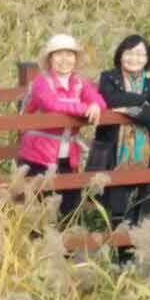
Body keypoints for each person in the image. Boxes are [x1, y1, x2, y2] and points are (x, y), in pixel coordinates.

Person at [16, 34, 106, 224]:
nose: (64, 60)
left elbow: (99, 101)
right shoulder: (41, 82)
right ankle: (41, 243)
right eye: (58, 54)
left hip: (67, 157)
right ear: (50, 58)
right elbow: (52, 105)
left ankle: (66, 243)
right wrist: (85, 109)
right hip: (37, 156)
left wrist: (95, 105)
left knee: (70, 207)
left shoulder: (79, 82)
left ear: (76, 58)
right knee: (39, 212)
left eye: (69, 54)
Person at [95, 34, 150, 264]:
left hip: (146, 153)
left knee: (142, 201)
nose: (135, 58)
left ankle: (131, 258)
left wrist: (129, 109)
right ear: (120, 55)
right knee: (117, 202)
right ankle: (118, 255)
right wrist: (142, 102)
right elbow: (110, 99)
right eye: (130, 52)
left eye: (140, 54)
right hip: (115, 151)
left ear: (147, 58)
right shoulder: (109, 78)